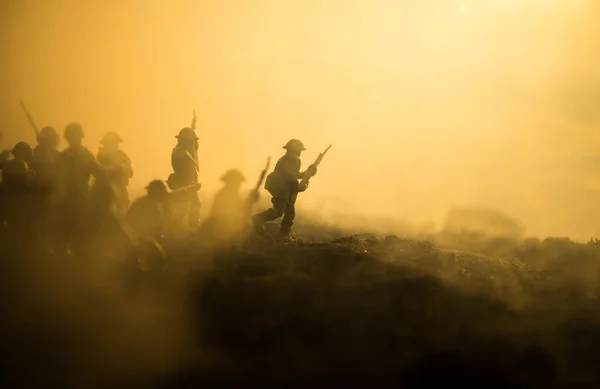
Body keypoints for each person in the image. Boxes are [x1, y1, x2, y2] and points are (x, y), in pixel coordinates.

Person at [252, 139, 316, 241]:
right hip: (280, 188)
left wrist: (307, 173)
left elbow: (295, 175)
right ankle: (257, 219)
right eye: (298, 150)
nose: (300, 152)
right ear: (292, 150)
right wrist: (299, 187)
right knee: (278, 211)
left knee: (290, 213)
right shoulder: (287, 160)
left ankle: (284, 235)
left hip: (286, 189)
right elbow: (290, 176)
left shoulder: (294, 160)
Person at [53, 122, 100, 256]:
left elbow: (97, 173)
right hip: (66, 200)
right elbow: (57, 177)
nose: (73, 139)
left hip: (82, 199)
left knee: (82, 236)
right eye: (71, 137)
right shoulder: (63, 156)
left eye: (75, 136)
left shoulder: (86, 155)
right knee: (63, 236)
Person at [200, 169, 259, 245]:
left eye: (238, 183)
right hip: (221, 228)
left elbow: (241, 211)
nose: (238, 185)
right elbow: (233, 213)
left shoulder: (234, 195)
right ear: (229, 182)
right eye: (236, 183)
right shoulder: (223, 195)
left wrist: (250, 202)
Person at [126, 180, 172, 271]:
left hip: (134, 239)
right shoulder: (151, 207)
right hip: (141, 241)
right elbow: (155, 230)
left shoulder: (142, 202)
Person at [167, 127, 201, 229]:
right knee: (182, 210)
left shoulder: (183, 151)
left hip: (188, 186)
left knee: (194, 208)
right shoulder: (181, 153)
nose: (192, 144)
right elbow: (187, 172)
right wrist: (192, 185)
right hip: (184, 187)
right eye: (191, 141)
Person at [96, 131, 133, 215]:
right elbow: (99, 171)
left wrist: (122, 167)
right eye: (109, 143)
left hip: (120, 192)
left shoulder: (122, 155)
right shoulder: (101, 156)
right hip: (103, 193)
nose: (114, 145)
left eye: (114, 142)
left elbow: (130, 173)